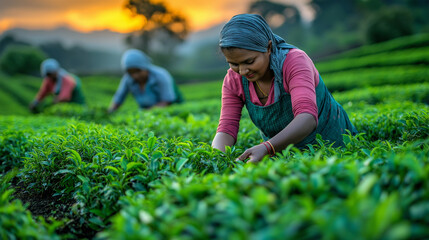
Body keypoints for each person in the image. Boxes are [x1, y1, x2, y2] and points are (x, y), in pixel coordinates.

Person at [211, 14, 358, 163]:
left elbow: (307, 117)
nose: (242, 71)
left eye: (249, 61)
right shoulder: (233, 80)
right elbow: (226, 127)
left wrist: (268, 147)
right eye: (234, 64)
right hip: (283, 153)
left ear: (268, 48)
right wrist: (217, 158)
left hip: (333, 146)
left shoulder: (294, 62)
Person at [108, 49, 183, 113]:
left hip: (171, 108)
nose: (135, 75)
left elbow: (167, 101)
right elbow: (119, 98)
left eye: (138, 71)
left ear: (145, 67)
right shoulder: (128, 79)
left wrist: (146, 112)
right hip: (146, 112)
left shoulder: (161, 75)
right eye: (131, 72)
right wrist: (110, 112)